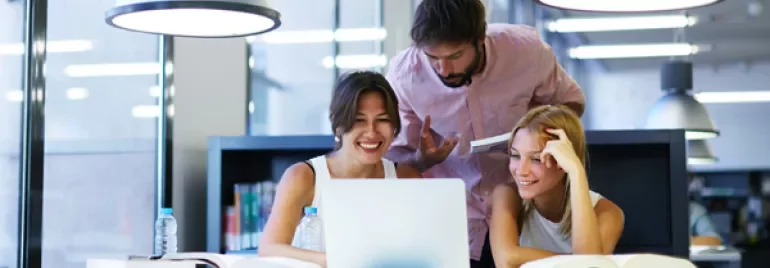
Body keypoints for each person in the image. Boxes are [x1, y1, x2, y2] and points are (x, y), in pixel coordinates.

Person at [384, 0, 585, 266]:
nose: (443, 69)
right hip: (453, 217)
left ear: (480, 38)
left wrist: (536, 134)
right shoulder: (404, 76)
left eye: (455, 56)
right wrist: (423, 160)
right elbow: (392, 160)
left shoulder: (526, 51)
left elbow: (572, 103)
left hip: (527, 208)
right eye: (433, 58)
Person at [257, 70, 423, 267]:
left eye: (382, 119)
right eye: (359, 120)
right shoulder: (303, 176)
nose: (371, 132)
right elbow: (269, 248)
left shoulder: (407, 178)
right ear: (338, 124)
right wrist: (330, 260)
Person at [489, 105, 625, 268]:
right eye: (515, 155)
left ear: (564, 161)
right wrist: (574, 261)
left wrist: (576, 172)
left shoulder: (608, 213)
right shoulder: (507, 195)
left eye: (536, 159)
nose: (521, 170)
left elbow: (589, 266)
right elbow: (506, 259)